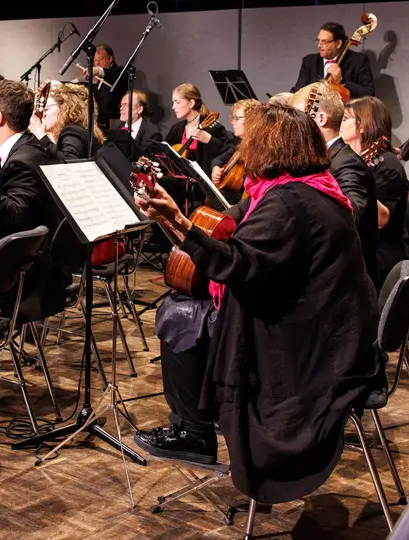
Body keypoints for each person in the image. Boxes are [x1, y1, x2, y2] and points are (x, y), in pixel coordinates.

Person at [131, 102, 380, 503]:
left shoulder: (287, 202)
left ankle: (194, 430)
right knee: (190, 310)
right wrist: (176, 221)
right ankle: (197, 424)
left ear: (268, 149)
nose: (242, 150)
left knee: (180, 315)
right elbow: (242, 242)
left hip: (312, 351)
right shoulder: (314, 186)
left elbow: (237, 265)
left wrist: (177, 221)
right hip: (337, 333)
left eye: (249, 141)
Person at [0, 79, 73, 306]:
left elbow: (13, 215)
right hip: (41, 265)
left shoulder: (21, 159)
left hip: (28, 276)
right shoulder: (30, 145)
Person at [296, 83, 379, 283]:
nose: (293, 128)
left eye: (297, 119)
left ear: (321, 118)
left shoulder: (347, 162)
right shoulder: (322, 158)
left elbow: (353, 214)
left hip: (345, 277)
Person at [342, 96, 409, 282]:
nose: (339, 122)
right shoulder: (352, 160)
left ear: (362, 125)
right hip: (358, 243)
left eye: (345, 118)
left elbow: (379, 220)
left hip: (379, 250)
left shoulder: (387, 164)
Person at [289, 22, 374, 98]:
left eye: (324, 42)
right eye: (318, 41)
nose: (319, 45)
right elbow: (298, 90)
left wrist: (341, 81)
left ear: (338, 43)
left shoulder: (358, 60)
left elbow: (369, 95)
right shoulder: (309, 61)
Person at [164, 83, 229, 172]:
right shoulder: (176, 129)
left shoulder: (212, 127)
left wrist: (209, 140)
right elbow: (164, 155)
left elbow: (227, 151)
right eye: (173, 102)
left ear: (191, 103)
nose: (173, 107)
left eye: (177, 102)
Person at [38, 81, 106, 160]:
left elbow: (69, 164)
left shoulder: (72, 132)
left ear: (64, 108)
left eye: (46, 109)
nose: (43, 114)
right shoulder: (79, 130)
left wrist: (41, 137)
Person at [210, 99, 259, 204]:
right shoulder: (239, 145)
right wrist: (216, 168)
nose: (232, 122)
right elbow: (219, 159)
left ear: (252, 120)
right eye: (233, 118)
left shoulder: (258, 149)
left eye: (237, 118)